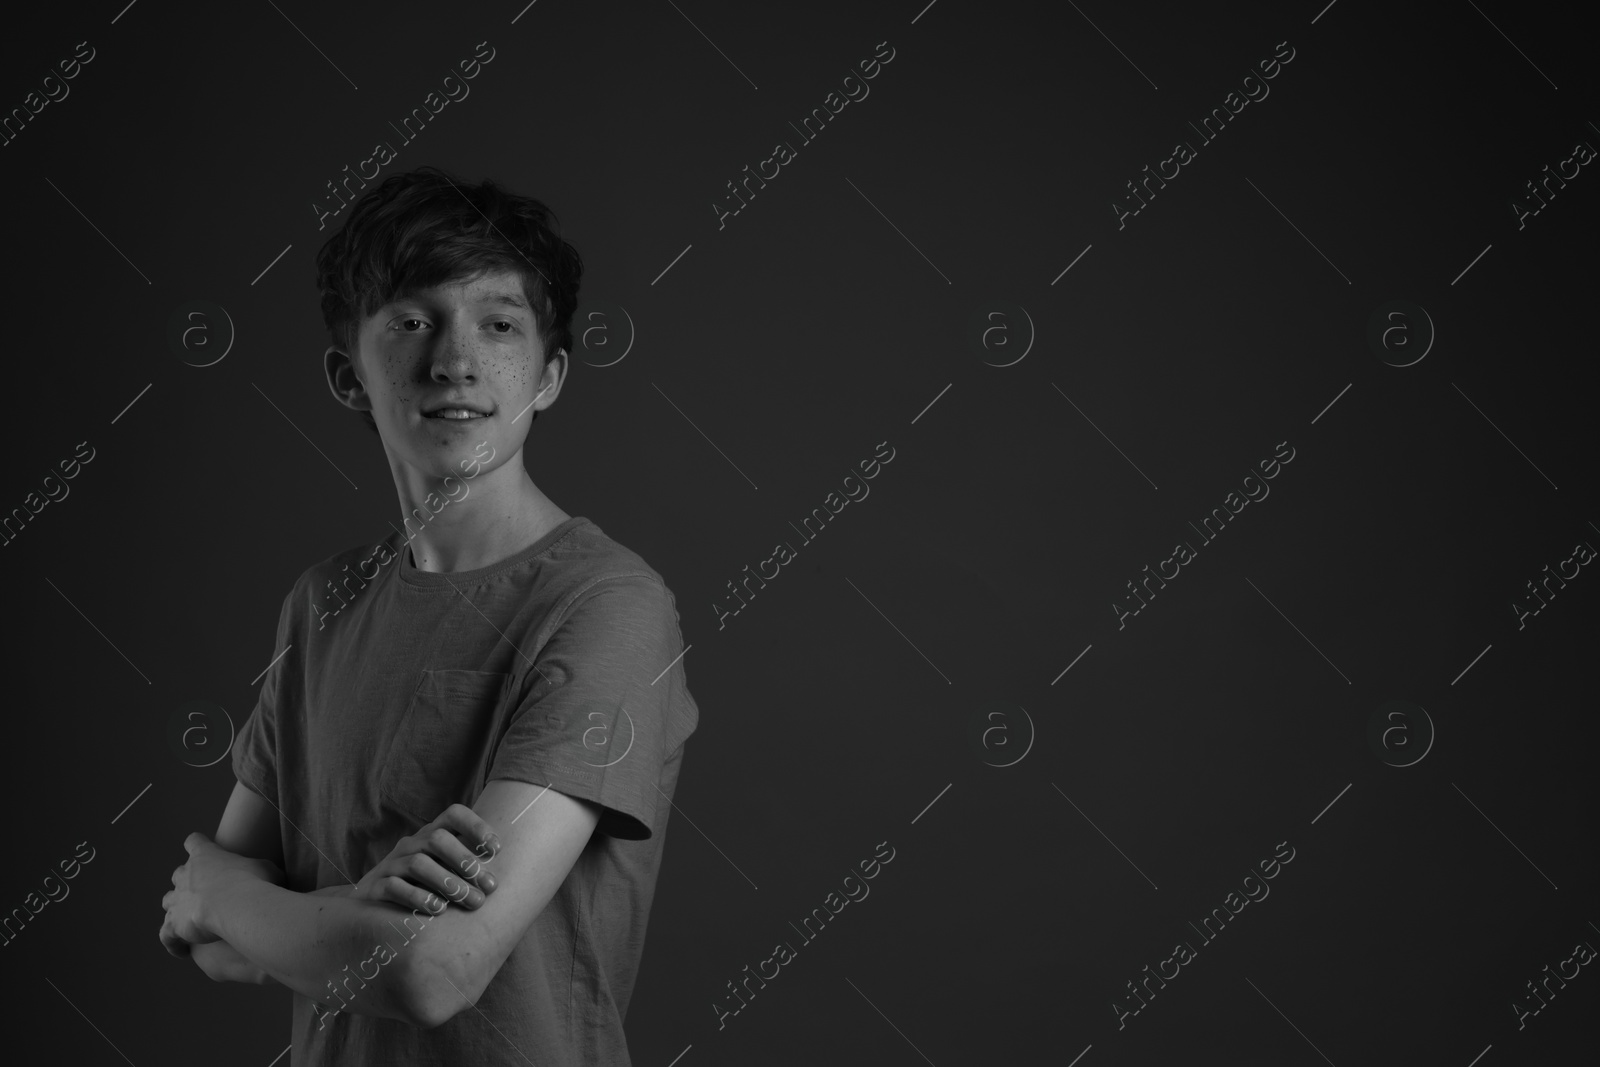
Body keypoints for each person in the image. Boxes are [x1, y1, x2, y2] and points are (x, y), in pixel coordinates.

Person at [157, 166, 700, 1066]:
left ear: (550, 374)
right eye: (412, 321)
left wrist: (224, 895)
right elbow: (210, 951)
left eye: (499, 324)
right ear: (348, 376)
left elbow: (436, 972)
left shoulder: (608, 607)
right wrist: (340, 916)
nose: (455, 360)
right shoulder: (322, 604)